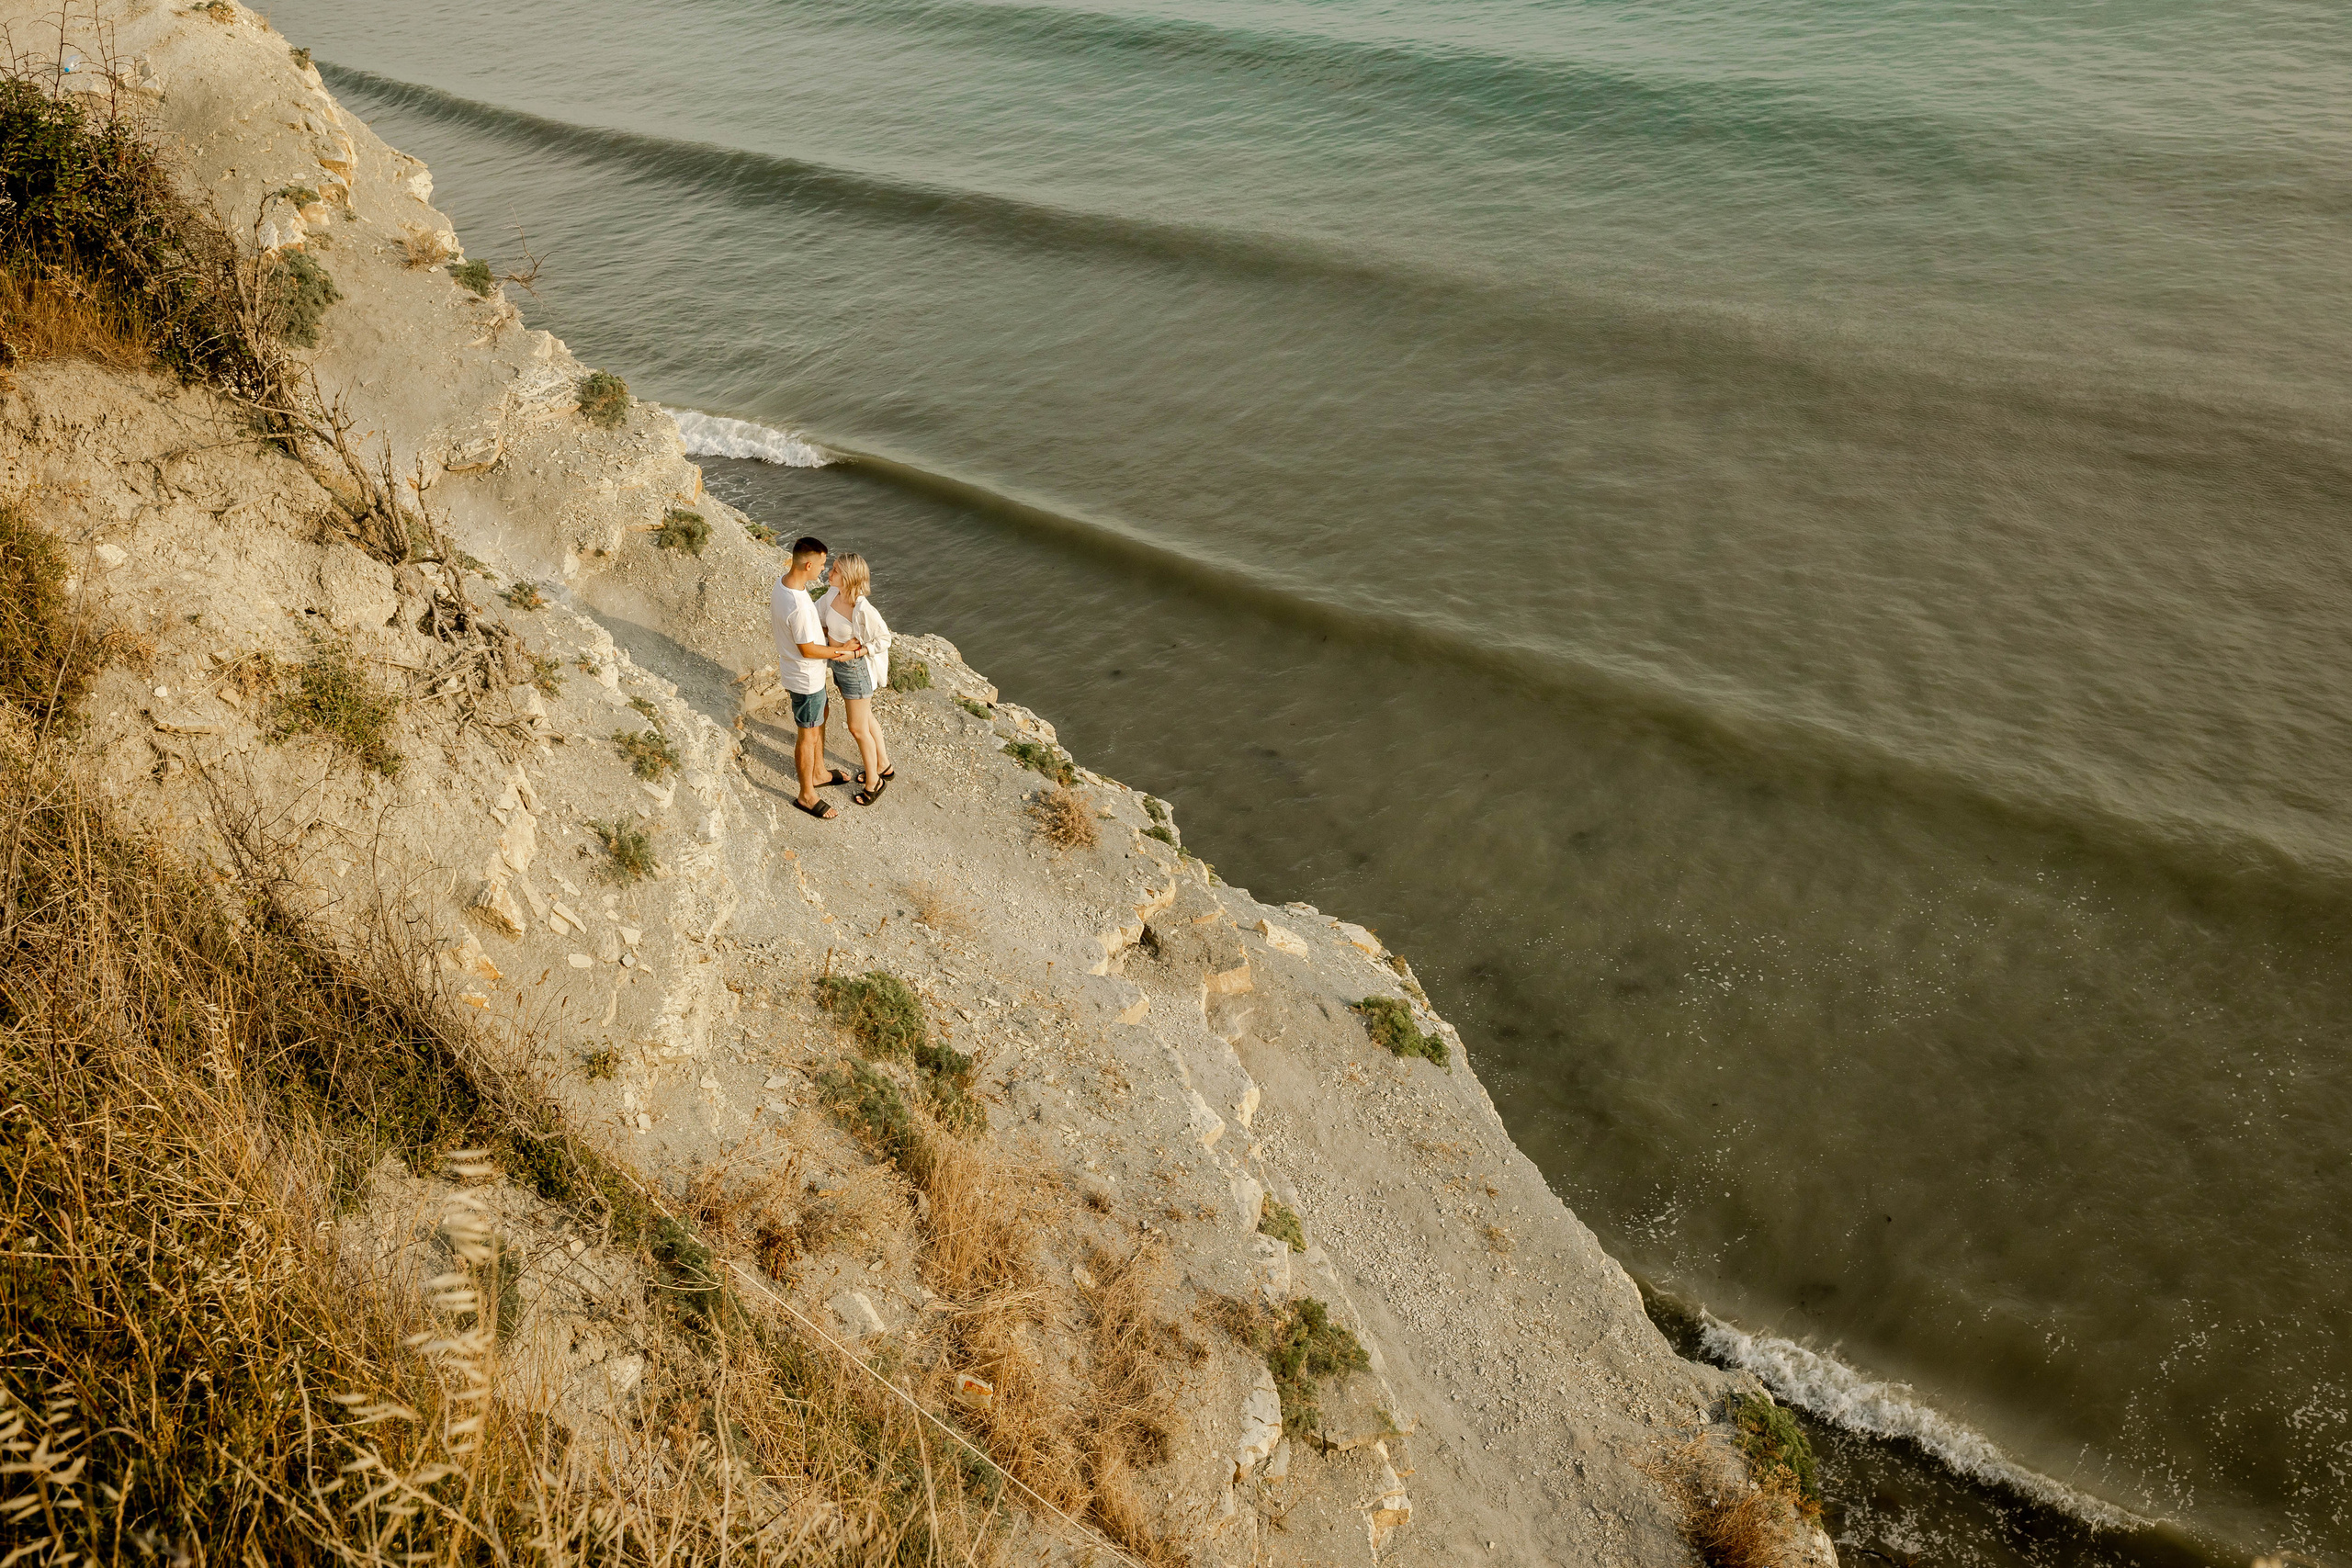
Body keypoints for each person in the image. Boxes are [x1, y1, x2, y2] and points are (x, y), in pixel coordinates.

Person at [769, 536, 863, 819]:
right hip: (804, 678)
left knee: (823, 713)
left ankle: (819, 772)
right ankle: (806, 794)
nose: (823, 570)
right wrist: (841, 650)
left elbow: (804, 637)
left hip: (806, 675)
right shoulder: (797, 605)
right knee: (807, 736)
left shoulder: (784, 585)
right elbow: (807, 649)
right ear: (808, 564)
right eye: (822, 564)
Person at [817, 551, 896, 805]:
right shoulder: (832, 595)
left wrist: (859, 650)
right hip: (839, 668)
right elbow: (818, 618)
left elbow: (884, 639)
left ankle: (875, 781)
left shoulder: (862, 608)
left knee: (857, 727)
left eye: (836, 570)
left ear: (849, 577)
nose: (829, 573)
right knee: (866, 718)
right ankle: (884, 764)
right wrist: (831, 635)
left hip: (855, 672)